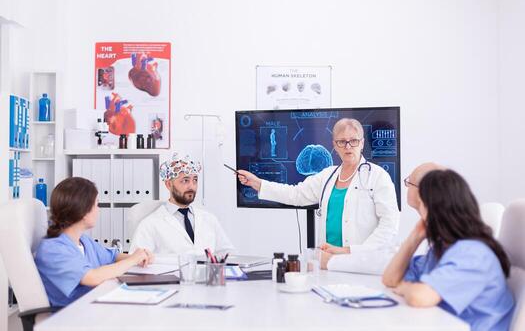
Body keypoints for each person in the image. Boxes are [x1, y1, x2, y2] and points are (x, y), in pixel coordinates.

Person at [237, 118, 399, 273]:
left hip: (361, 263)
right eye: (342, 142)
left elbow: (390, 224)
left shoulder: (377, 176)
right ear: (334, 145)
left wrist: (350, 251)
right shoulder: (327, 175)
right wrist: (258, 183)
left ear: (362, 143)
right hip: (327, 262)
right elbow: (296, 194)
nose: (348, 146)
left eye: (353, 141)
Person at [382, 164, 514, 331]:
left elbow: (420, 297)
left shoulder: (473, 254)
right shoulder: (441, 248)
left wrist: (405, 288)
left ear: (435, 210)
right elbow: (390, 279)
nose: (421, 214)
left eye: (421, 206)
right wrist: (414, 238)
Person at [34, 177, 154, 307]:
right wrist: (132, 260)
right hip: (73, 315)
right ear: (83, 211)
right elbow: (91, 277)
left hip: (96, 305)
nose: (99, 209)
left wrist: (139, 256)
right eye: (97, 204)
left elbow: (112, 256)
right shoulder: (53, 249)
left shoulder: (83, 241)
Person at [130, 152, 234, 255]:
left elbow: (228, 254)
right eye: (185, 180)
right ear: (169, 184)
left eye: (195, 180)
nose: (192, 186)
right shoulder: (150, 224)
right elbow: (135, 262)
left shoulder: (209, 219)